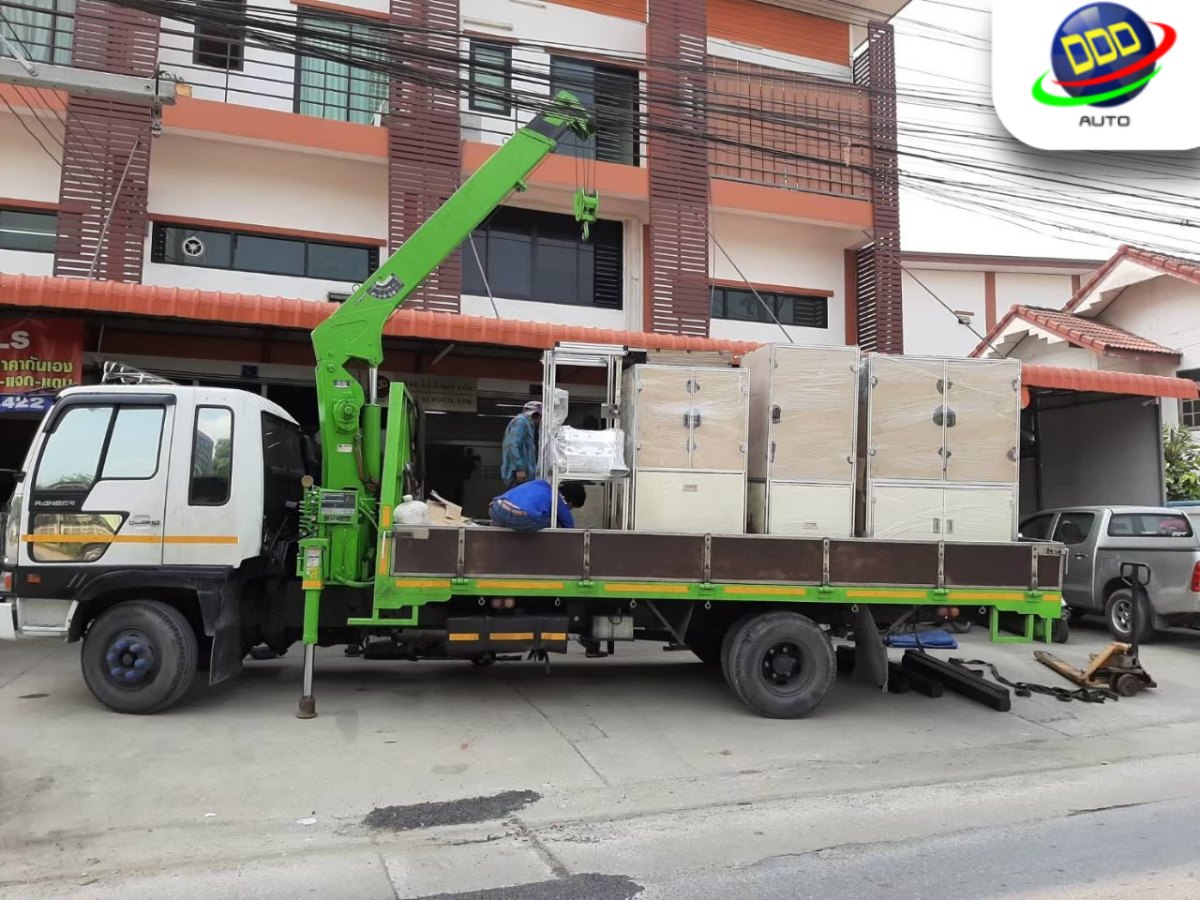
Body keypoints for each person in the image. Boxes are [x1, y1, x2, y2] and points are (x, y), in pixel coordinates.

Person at [489, 479, 586, 532]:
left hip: (495, 507)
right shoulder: (559, 500)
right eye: (571, 507)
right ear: (571, 502)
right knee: (555, 522)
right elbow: (570, 529)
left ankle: (500, 523)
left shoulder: (541, 483)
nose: (569, 510)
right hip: (520, 518)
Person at [501, 400, 541, 489]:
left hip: (523, 475)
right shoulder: (521, 422)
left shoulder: (527, 424)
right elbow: (513, 444)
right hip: (518, 476)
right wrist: (519, 468)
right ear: (536, 415)